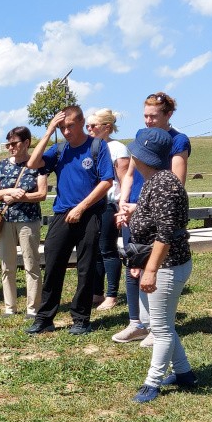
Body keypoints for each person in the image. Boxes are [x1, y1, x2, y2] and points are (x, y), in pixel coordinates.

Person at [24, 106, 114, 335]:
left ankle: (81, 319)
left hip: (89, 214)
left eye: (70, 126)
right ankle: (44, 319)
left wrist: (82, 207)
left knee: (85, 269)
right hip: (62, 215)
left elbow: (106, 182)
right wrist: (48, 131)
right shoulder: (59, 150)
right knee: (53, 266)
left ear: (82, 123)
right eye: (62, 127)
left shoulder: (97, 147)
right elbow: (32, 164)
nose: (66, 131)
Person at [114, 93, 191, 345]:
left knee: (155, 266)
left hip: (155, 208)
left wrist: (139, 207)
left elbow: (176, 182)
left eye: (153, 116)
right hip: (134, 207)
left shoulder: (178, 141)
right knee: (133, 262)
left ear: (168, 115)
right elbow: (128, 174)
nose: (148, 121)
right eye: (145, 115)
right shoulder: (141, 136)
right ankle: (137, 323)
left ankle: (157, 327)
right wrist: (124, 203)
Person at [125, 129, 195, 403]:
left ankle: (152, 382)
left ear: (141, 156)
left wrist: (150, 269)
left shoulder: (164, 184)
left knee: (161, 328)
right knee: (164, 323)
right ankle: (184, 373)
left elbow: (165, 234)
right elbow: (157, 221)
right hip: (161, 262)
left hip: (167, 265)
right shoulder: (155, 181)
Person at [0, 126, 48, 317]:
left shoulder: (38, 164)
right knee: (7, 265)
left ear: (27, 143)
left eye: (14, 143)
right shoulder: (4, 165)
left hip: (28, 220)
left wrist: (22, 197)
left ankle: (32, 308)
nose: (10, 147)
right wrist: (9, 192)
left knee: (31, 264)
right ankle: (10, 307)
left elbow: (42, 194)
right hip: (6, 221)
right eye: (8, 144)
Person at [84, 109, 131, 312]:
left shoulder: (117, 148)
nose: (89, 129)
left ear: (107, 127)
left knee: (107, 249)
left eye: (93, 126)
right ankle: (97, 292)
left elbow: (124, 179)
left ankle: (112, 295)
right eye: (87, 126)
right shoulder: (90, 146)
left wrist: (122, 206)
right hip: (92, 203)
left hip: (110, 203)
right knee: (94, 250)